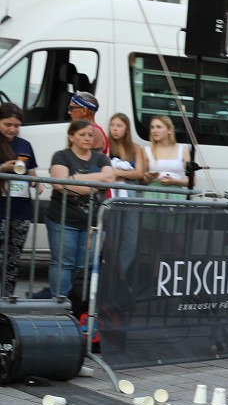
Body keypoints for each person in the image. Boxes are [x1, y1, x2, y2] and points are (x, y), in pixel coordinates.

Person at [46, 119, 115, 298]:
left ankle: (78, 307)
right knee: (62, 263)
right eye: (82, 134)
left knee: (84, 266)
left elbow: (110, 178)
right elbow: (60, 184)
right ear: (71, 136)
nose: (87, 138)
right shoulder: (61, 156)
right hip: (63, 219)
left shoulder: (101, 158)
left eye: (90, 135)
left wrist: (75, 179)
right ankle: (59, 306)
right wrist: (94, 184)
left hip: (92, 223)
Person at [0, 103, 39, 298]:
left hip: (20, 209)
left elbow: (33, 173)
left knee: (13, 258)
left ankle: (7, 298)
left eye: (16, 125)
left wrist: (36, 183)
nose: (12, 129)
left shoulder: (25, 145)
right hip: (1, 208)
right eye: (8, 124)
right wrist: (3, 168)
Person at [142, 115, 190, 200]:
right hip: (152, 194)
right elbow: (141, 180)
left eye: (159, 127)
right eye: (152, 127)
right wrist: (148, 178)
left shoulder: (183, 150)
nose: (154, 130)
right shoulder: (146, 150)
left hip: (175, 194)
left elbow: (192, 180)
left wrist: (174, 181)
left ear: (170, 130)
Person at [106, 113, 146, 198]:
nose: (115, 129)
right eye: (112, 125)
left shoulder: (135, 148)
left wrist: (118, 173)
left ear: (126, 129)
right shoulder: (106, 146)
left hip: (130, 189)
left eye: (119, 126)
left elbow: (139, 173)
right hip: (110, 189)